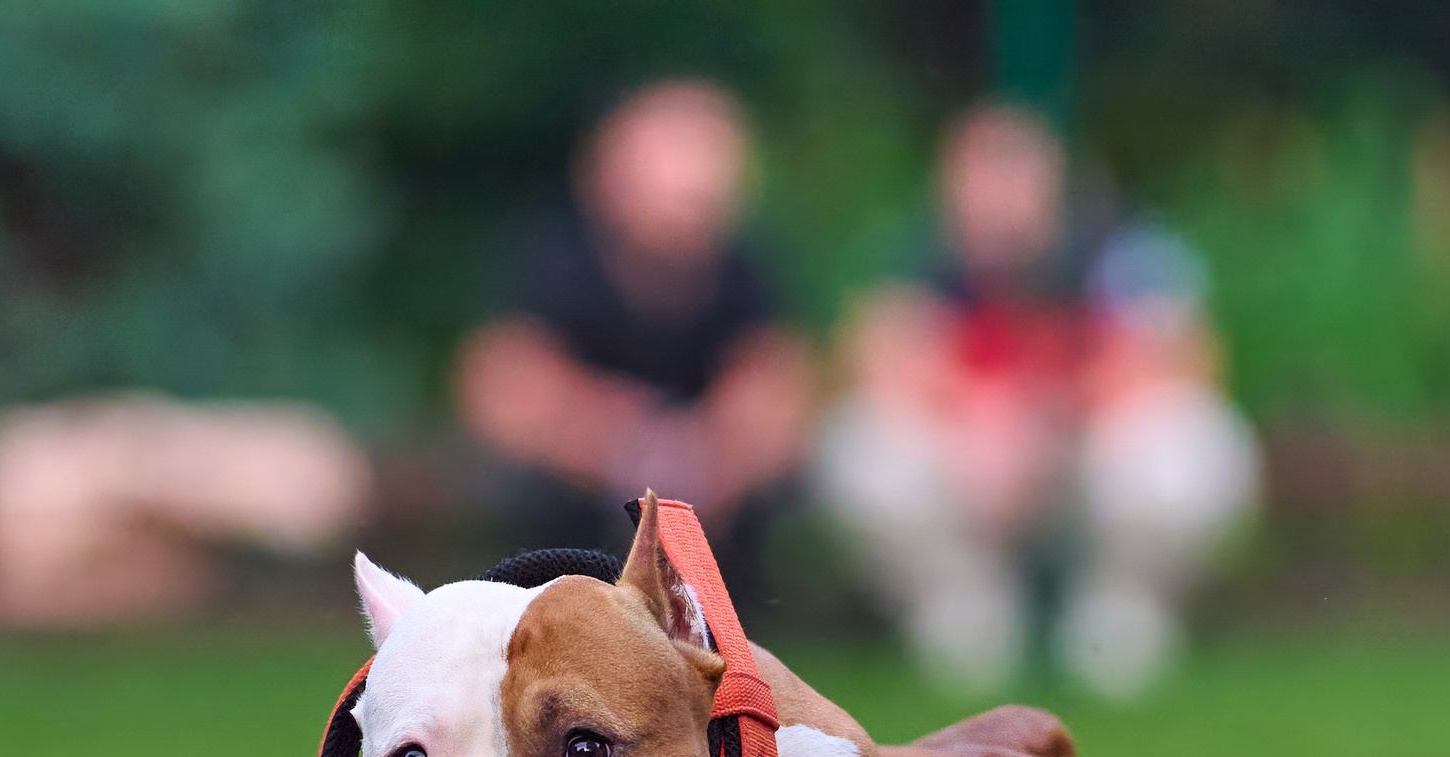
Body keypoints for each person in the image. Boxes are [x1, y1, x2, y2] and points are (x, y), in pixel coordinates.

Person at [816, 103, 1259, 697]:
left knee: (1192, 440)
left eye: (1016, 175)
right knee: (861, 441)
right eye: (981, 176)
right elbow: (873, 353)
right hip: (970, 470)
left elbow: (1185, 355)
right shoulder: (918, 254)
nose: (1000, 199)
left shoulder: (1119, 249)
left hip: (1089, 462)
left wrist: (1047, 416)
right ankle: (962, 608)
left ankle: (1120, 612)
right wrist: (977, 412)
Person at [455, 81, 812, 608]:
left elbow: (779, 386)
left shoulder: (748, 270)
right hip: (575, 496)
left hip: (708, 497)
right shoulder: (555, 259)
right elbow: (501, 388)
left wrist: (710, 453)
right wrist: (622, 446)